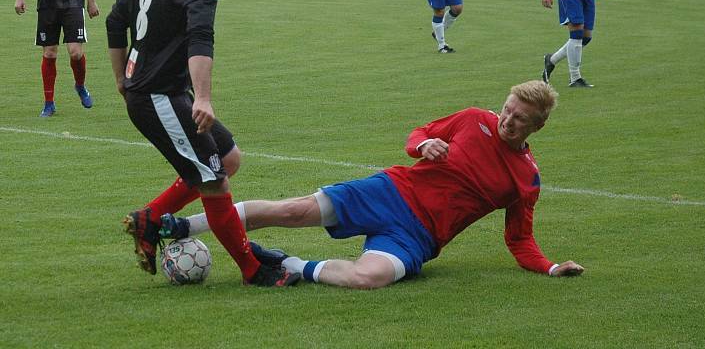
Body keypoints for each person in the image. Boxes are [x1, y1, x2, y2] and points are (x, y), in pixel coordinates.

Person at [159, 80, 585, 289]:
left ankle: (287, 265)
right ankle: (180, 228)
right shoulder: (475, 119)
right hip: (390, 192)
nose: (507, 120)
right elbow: (417, 135)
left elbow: (520, 240)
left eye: (519, 119)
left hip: (418, 236)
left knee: (370, 277)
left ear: (539, 126)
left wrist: (550, 267)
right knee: (291, 211)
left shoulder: (526, 179)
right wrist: (425, 146)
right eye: (507, 110)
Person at [105, 0, 298, 287]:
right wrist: (203, 98)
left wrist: (121, 78)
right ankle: (252, 270)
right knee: (214, 181)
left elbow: (115, 21)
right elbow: (200, 39)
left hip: (160, 92)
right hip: (158, 98)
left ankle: (150, 218)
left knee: (227, 159)